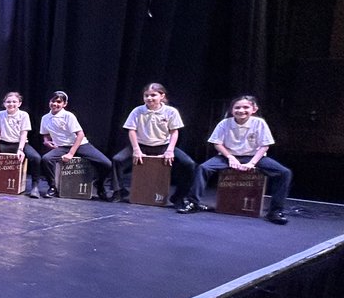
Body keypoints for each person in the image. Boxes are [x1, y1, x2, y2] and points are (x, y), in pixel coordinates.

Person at [178, 94, 292, 224]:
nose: (241, 110)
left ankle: (275, 211)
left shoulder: (259, 123)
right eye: (237, 107)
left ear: (254, 109)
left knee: (284, 172)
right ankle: (193, 203)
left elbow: (264, 145)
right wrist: (230, 157)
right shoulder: (225, 123)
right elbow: (217, 143)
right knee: (203, 168)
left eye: (245, 107)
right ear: (232, 110)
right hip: (228, 156)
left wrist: (252, 163)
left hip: (253, 156)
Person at [111, 82, 194, 205]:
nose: (149, 98)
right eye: (146, 95)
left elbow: (174, 132)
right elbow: (131, 130)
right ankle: (119, 191)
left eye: (153, 95)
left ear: (162, 96)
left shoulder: (171, 111)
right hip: (141, 145)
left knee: (188, 164)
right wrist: (136, 149)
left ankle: (179, 196)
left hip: (163, 146)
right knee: (117, 160)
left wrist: (170, 150)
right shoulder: (138, 111)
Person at [38, 90, 113, 200]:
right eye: (53, 101)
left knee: (106, 164)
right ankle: (53, 187)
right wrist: (46, 141)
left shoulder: (68, 116)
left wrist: (71, 153)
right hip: (62, 147)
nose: (55, 104)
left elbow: (80, 134)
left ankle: (99, 184)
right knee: (46, 159)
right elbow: (45, 134)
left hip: (81, 145)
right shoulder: (45, 118)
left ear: (64, 104)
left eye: (59, 102)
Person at [0, 91, 42, 197]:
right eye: (8, 102)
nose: (11, 104)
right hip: (4, 144)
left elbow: (24, 134)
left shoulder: (24, 115)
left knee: (36, 158)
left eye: (14, 102)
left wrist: (20, 149)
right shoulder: (0, 115)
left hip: (19, 144)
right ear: (4, 103)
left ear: (19, 103)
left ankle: (35, 187)